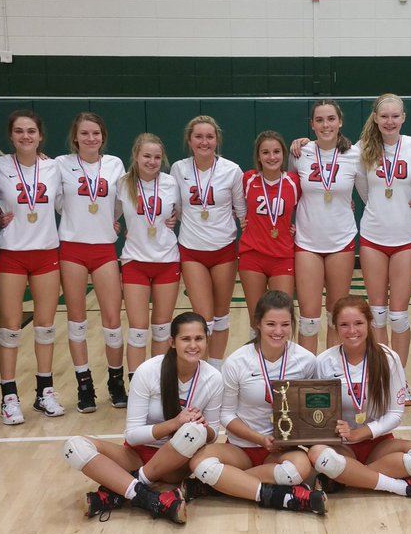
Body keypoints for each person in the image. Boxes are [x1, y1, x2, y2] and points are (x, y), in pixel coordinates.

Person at [63, 312, 220, 524]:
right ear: (172, 342)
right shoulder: (148, 371)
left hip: (176, 464)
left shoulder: (214, 378)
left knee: (195, 432)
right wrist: (175, 423)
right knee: (73, 446)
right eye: (185, 339)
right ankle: (150, 498)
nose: (193, 345)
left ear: (207, 340)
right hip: (136, 455)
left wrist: (203, 424)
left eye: (199, 338)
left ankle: (121, 490)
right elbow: (133, 435)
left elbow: (212, 436)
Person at [187, 291, 327, 514]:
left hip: (280, 451)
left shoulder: (306, 361)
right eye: (271, 324)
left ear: (292, 325)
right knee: (199, 462)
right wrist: (260, 439)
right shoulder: (237, 362)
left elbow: (311, 410)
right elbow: (227, 416)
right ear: (257, 324)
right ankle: (278, 495)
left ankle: (222, 486)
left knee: (300, 469)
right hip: (241, 448)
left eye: (284, 324)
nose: (278, 331)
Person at [308, 296, 411, 500]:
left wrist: (361, 433)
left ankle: (348, 476)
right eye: (344, 325)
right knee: (320, 455)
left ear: (370, 323)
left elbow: (396, 413)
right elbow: (315, 413)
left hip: (378, 444)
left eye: (358, 323)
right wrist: (336, 429)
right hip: (341, 445)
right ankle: (399, 486)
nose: (352, 331)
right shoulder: (324, 362)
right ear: (335, 327)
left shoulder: (389, 358)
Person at [0, 110, 65, 425]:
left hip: (46, 252)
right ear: (11, 136)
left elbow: (69, 202)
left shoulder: (54, 166)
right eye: (19, 131)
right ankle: (9, 396)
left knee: (45, 326)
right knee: (10, 328)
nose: (25, 136)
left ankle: (44, 391)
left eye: (31, 131)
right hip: (11, 253)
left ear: (40, 136)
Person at [55, 113, 127, 413]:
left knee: (112, 320)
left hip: (104, 249)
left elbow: (122, 203)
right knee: (77, 321)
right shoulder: (60, 164)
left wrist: (111, 221)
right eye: (84, 133)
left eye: (95, 133)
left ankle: (115, 381)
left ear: (103, 136)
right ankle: (84, 384)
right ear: (75, 137)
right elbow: (55, 201)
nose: (90, 139)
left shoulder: (115, 164)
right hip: (72, 248)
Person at [354, 93, 411, 370]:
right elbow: (364, 191)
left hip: (406, 237)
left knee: (399, 316)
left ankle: (398, 376)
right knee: (377, 314)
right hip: (373, 237)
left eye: (395, 116)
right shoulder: (362, 148)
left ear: (404, 118)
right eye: (384, 116)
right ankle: (381, 375)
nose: (389, 121)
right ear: (375, 117)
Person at [170, 115, 246, 368]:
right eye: (199, 137)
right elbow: (175, 209)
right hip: (192, 251)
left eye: (210, 137)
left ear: (217, 140)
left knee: (221, 317)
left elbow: (242, 212)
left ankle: (215, 370)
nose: (205, 142)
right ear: (189, 140)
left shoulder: (232, 170)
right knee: (204, 319)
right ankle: (201, 371)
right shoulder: (179, 169)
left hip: (223, 250)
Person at [292, 100, 360, 354]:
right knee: (309, 320)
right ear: (312, 125)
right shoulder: (299, 152)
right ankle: (307, 377)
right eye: (319, 120)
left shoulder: (355, 154)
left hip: (341, 241)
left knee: (336, 315)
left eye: (331, 119)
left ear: (340, 122)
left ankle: (333, 374)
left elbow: (367, 192)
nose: (325, 124)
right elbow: (287, 191)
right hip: (307, 241)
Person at [117, 133, 180, 374]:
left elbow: (181, 212)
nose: (152, 161)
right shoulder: (122, 183)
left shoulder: (170, 183)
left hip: (167, 261)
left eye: (156, 157)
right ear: (135, 156)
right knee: (138, 329)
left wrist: (173, 220)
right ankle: (137, 386)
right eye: (146, 156)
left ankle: (159, 383)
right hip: (135, 261)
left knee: (163, 329)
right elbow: (109, 214)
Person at [238, 131, 300, 333]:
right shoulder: (247, 179)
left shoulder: (294, 181)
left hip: (282, 256)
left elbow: (313, 207)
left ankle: (283, 363)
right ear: (258, 156)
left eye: (276, 151)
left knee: (281, 318)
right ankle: (255, 364)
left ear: (284, 154)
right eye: (265, 152)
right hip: (252, 255)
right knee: (256, 318)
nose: (271, 157)